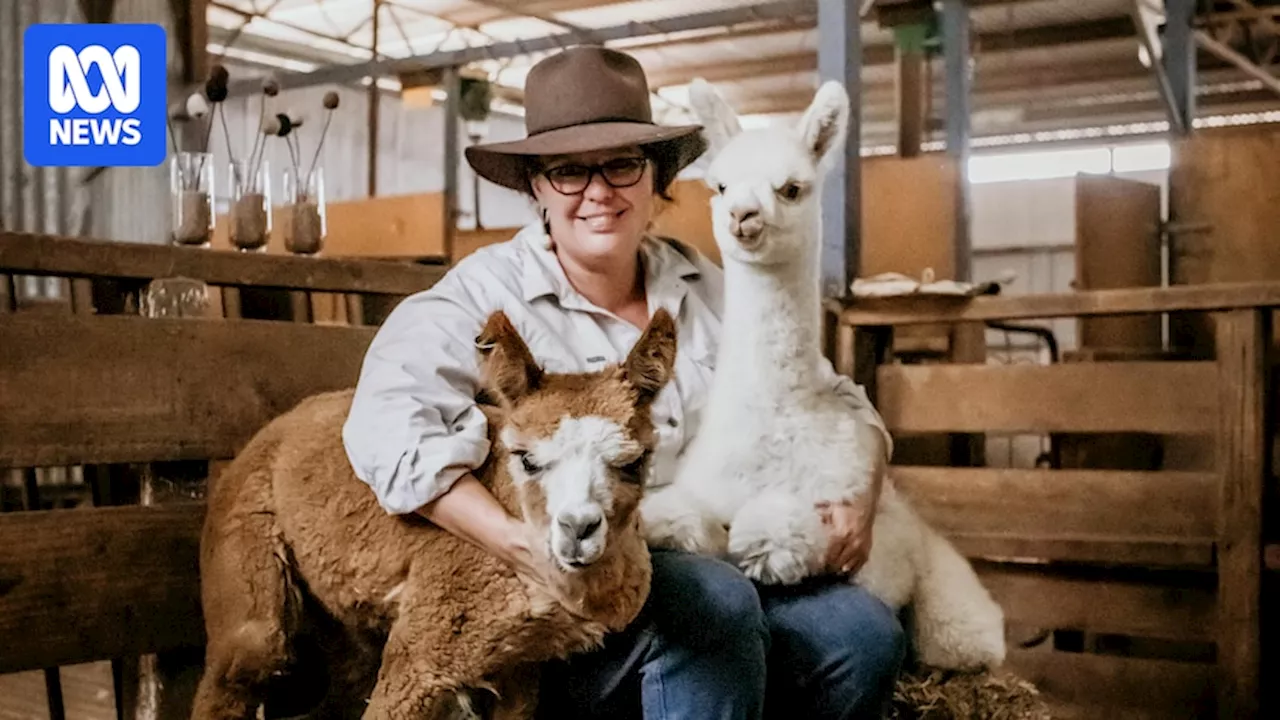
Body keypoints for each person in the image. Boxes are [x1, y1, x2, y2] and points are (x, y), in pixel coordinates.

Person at [342, 45, 905, 720]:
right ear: (538, 189)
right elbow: (386, 418)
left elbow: (836, 397)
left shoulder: (718, 294)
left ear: (656, 179)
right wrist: (517, 542)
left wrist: (863, 492)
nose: (598, 191)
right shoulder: (485, 294)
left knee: (863, 636)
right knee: (716, 604)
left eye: (620, 164)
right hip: (574, 575)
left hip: (710, 546)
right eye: (568, 172)